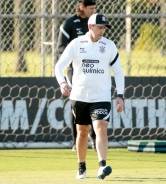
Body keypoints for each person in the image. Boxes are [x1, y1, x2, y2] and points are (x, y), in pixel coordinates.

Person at [55, 13, 125, 180]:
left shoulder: (109, 46)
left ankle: (102, 165)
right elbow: (59, 66)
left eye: (104, 28)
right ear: (90, 27)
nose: (103, 31)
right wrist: (62, 83)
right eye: (100, 27)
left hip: (101, 97)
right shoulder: (77, 44)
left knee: (100, 126)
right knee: (82, 132)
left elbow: (118, 71)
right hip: (79, 96)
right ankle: (81, 167)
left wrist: (120, 95)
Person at [57, 0, 97, 152]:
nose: (93, 11)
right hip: (74, 71)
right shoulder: (69, 24)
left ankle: (94, 138)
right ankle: (77, 141)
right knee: (77, 103)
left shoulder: (96, 23)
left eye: (95, 8)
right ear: (82, 7)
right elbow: (61, 47)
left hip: (93, 69)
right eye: (91, 8)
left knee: (95, 101)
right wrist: (74, 58)